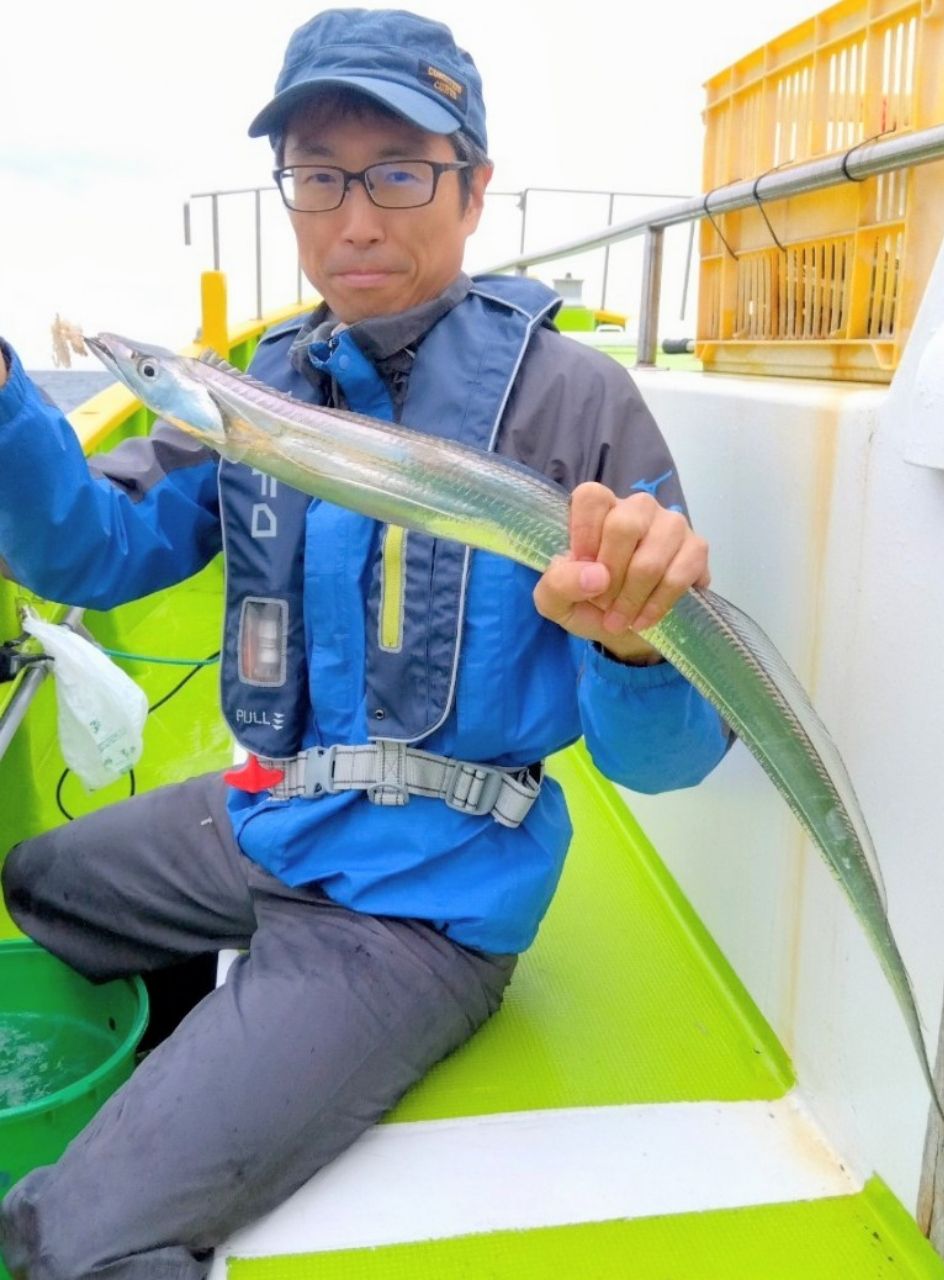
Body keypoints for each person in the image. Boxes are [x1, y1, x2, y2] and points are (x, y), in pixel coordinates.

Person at [0, 9, 730, 1278]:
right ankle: (227, 1065)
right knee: (42, 879)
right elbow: (93, 557)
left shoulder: (571, 401)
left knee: (72, 1242)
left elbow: (665, 764)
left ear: (474, 187)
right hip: (271, 819)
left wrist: (632, 648)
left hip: (421, 903)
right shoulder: (261, 391)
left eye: (399, 172)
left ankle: (238, 1083)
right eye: (318, 176)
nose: (354, 219)